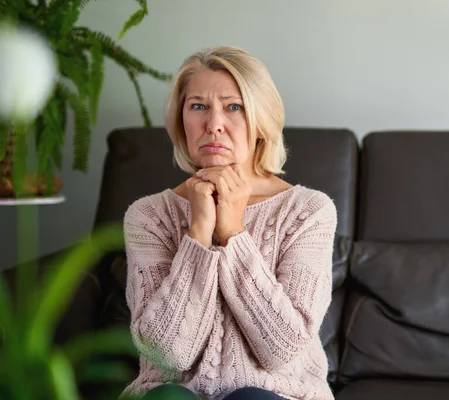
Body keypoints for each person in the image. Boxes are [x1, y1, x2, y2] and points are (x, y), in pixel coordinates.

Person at [121, 46, 337, 400]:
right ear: (182, 121)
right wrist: (198, 233)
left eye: (233, 106)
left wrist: (233, 231)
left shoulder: (309, 211)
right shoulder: (148, 215)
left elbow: (281, 348)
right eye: (198, 107)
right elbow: (168, 355)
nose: (213, 124)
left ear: (261, 121)